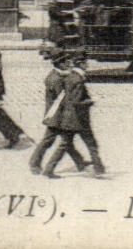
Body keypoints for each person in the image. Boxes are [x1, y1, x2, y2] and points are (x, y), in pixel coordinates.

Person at [40, 50, 105, 178]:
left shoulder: (69, 76)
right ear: (80, 64)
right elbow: (76, 101)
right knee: (90, 144)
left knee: (64, 145)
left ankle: (49, 169)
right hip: (79, 119)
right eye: (85, 63)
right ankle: (98, 169)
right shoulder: (78, 80)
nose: (87, 65)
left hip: (68, 118)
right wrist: (90, 101)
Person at [29, 49, 88, 175]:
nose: (68, 64)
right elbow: (63, 99)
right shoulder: (56, 79)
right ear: (58, 63)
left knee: (65, 141)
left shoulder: (58, 75)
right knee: (51, 141)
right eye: (65, 62)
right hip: (56, 115)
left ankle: (80, 163)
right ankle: (34, 163)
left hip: (57, 114)